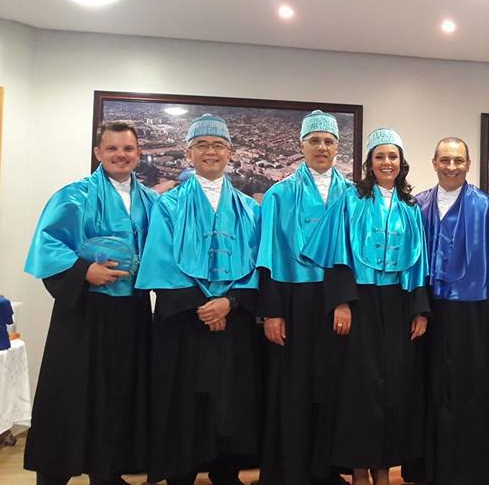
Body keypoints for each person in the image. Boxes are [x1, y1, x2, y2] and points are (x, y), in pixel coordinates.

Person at [23, 121, 158, 485]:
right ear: (98, 153)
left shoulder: (152, 201)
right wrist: (84, 271)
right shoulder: (74, 195)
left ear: (138, 153)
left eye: (127, 149)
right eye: (112, 148)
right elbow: (48, 243)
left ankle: (107, 471)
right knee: (69, 394)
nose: (120, 155)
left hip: (132, 312)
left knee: (121, 393)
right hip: (83, 314)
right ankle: (53, 475)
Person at [135, 114, 262, 485]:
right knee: (183, 400)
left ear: (230, 153)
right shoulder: (168, 205)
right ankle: (182, 473)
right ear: (188, 153)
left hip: (234, 320)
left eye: (218, 145)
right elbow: (160, 260)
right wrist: (204, 305)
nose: (210, 152)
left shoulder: (250, 209)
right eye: (202, 145)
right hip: (184, 321)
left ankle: (226, 472)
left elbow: (261, 262)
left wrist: (230, 302)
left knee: (232, 399)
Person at [303, 128, 429, 485]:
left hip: (398, 303)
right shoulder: (351, 200)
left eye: (392, 157)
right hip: (360, 301)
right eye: (379, 157)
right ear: (369, 163)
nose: (387, 163)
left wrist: (419, 309)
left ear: (401, 162)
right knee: (359, 388)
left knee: (394, 388)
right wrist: (341, 302)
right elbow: (337, 252)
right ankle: (359, 469)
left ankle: (383, 469)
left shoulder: (410, 207)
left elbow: (418, 262)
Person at [404, 137, 489, 485]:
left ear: (468, 164)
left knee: (473, 388)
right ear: (434, 162)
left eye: (459, 160)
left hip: (474, 313)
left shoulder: (488, 207)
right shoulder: (416, 206)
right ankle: (427, 468)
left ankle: (474, 469)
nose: (452, 167)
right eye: (446, 160)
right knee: (429, 385)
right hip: (427, 309)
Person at [256, 110, 354, 485]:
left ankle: (325, 470)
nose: (322, 147)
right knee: (293, 387)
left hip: (336, 301)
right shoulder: (279, 194)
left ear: (337, 147)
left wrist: (344, 301)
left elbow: (353, 253)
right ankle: (290, 471)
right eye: (315, 141)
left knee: (332, 386)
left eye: (328, 141)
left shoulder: (351, 194)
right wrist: (272, 312)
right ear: (302, 145)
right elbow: (268, 255)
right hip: (292, 299)